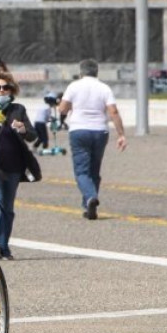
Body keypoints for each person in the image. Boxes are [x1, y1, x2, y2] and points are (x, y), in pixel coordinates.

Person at [58, 59, 128, 219]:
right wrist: (121, 134)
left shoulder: (73, 86)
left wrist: (63, 110)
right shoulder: (104, 88)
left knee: (82, 171)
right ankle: (90, 207)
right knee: (94, 171)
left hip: (79, 130)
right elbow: (114, 112)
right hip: (100, 131)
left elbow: (62, 108)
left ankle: (90, 198)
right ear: (97, 72)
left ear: (81, 72)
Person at [0, 70, 36, 259]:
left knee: (8, 206)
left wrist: (22, 129)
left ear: (11, 90)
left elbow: (32, 134)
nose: (1, 91)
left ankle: (3, 247)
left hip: (14, 165)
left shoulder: (18, 110)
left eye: (5, 88)